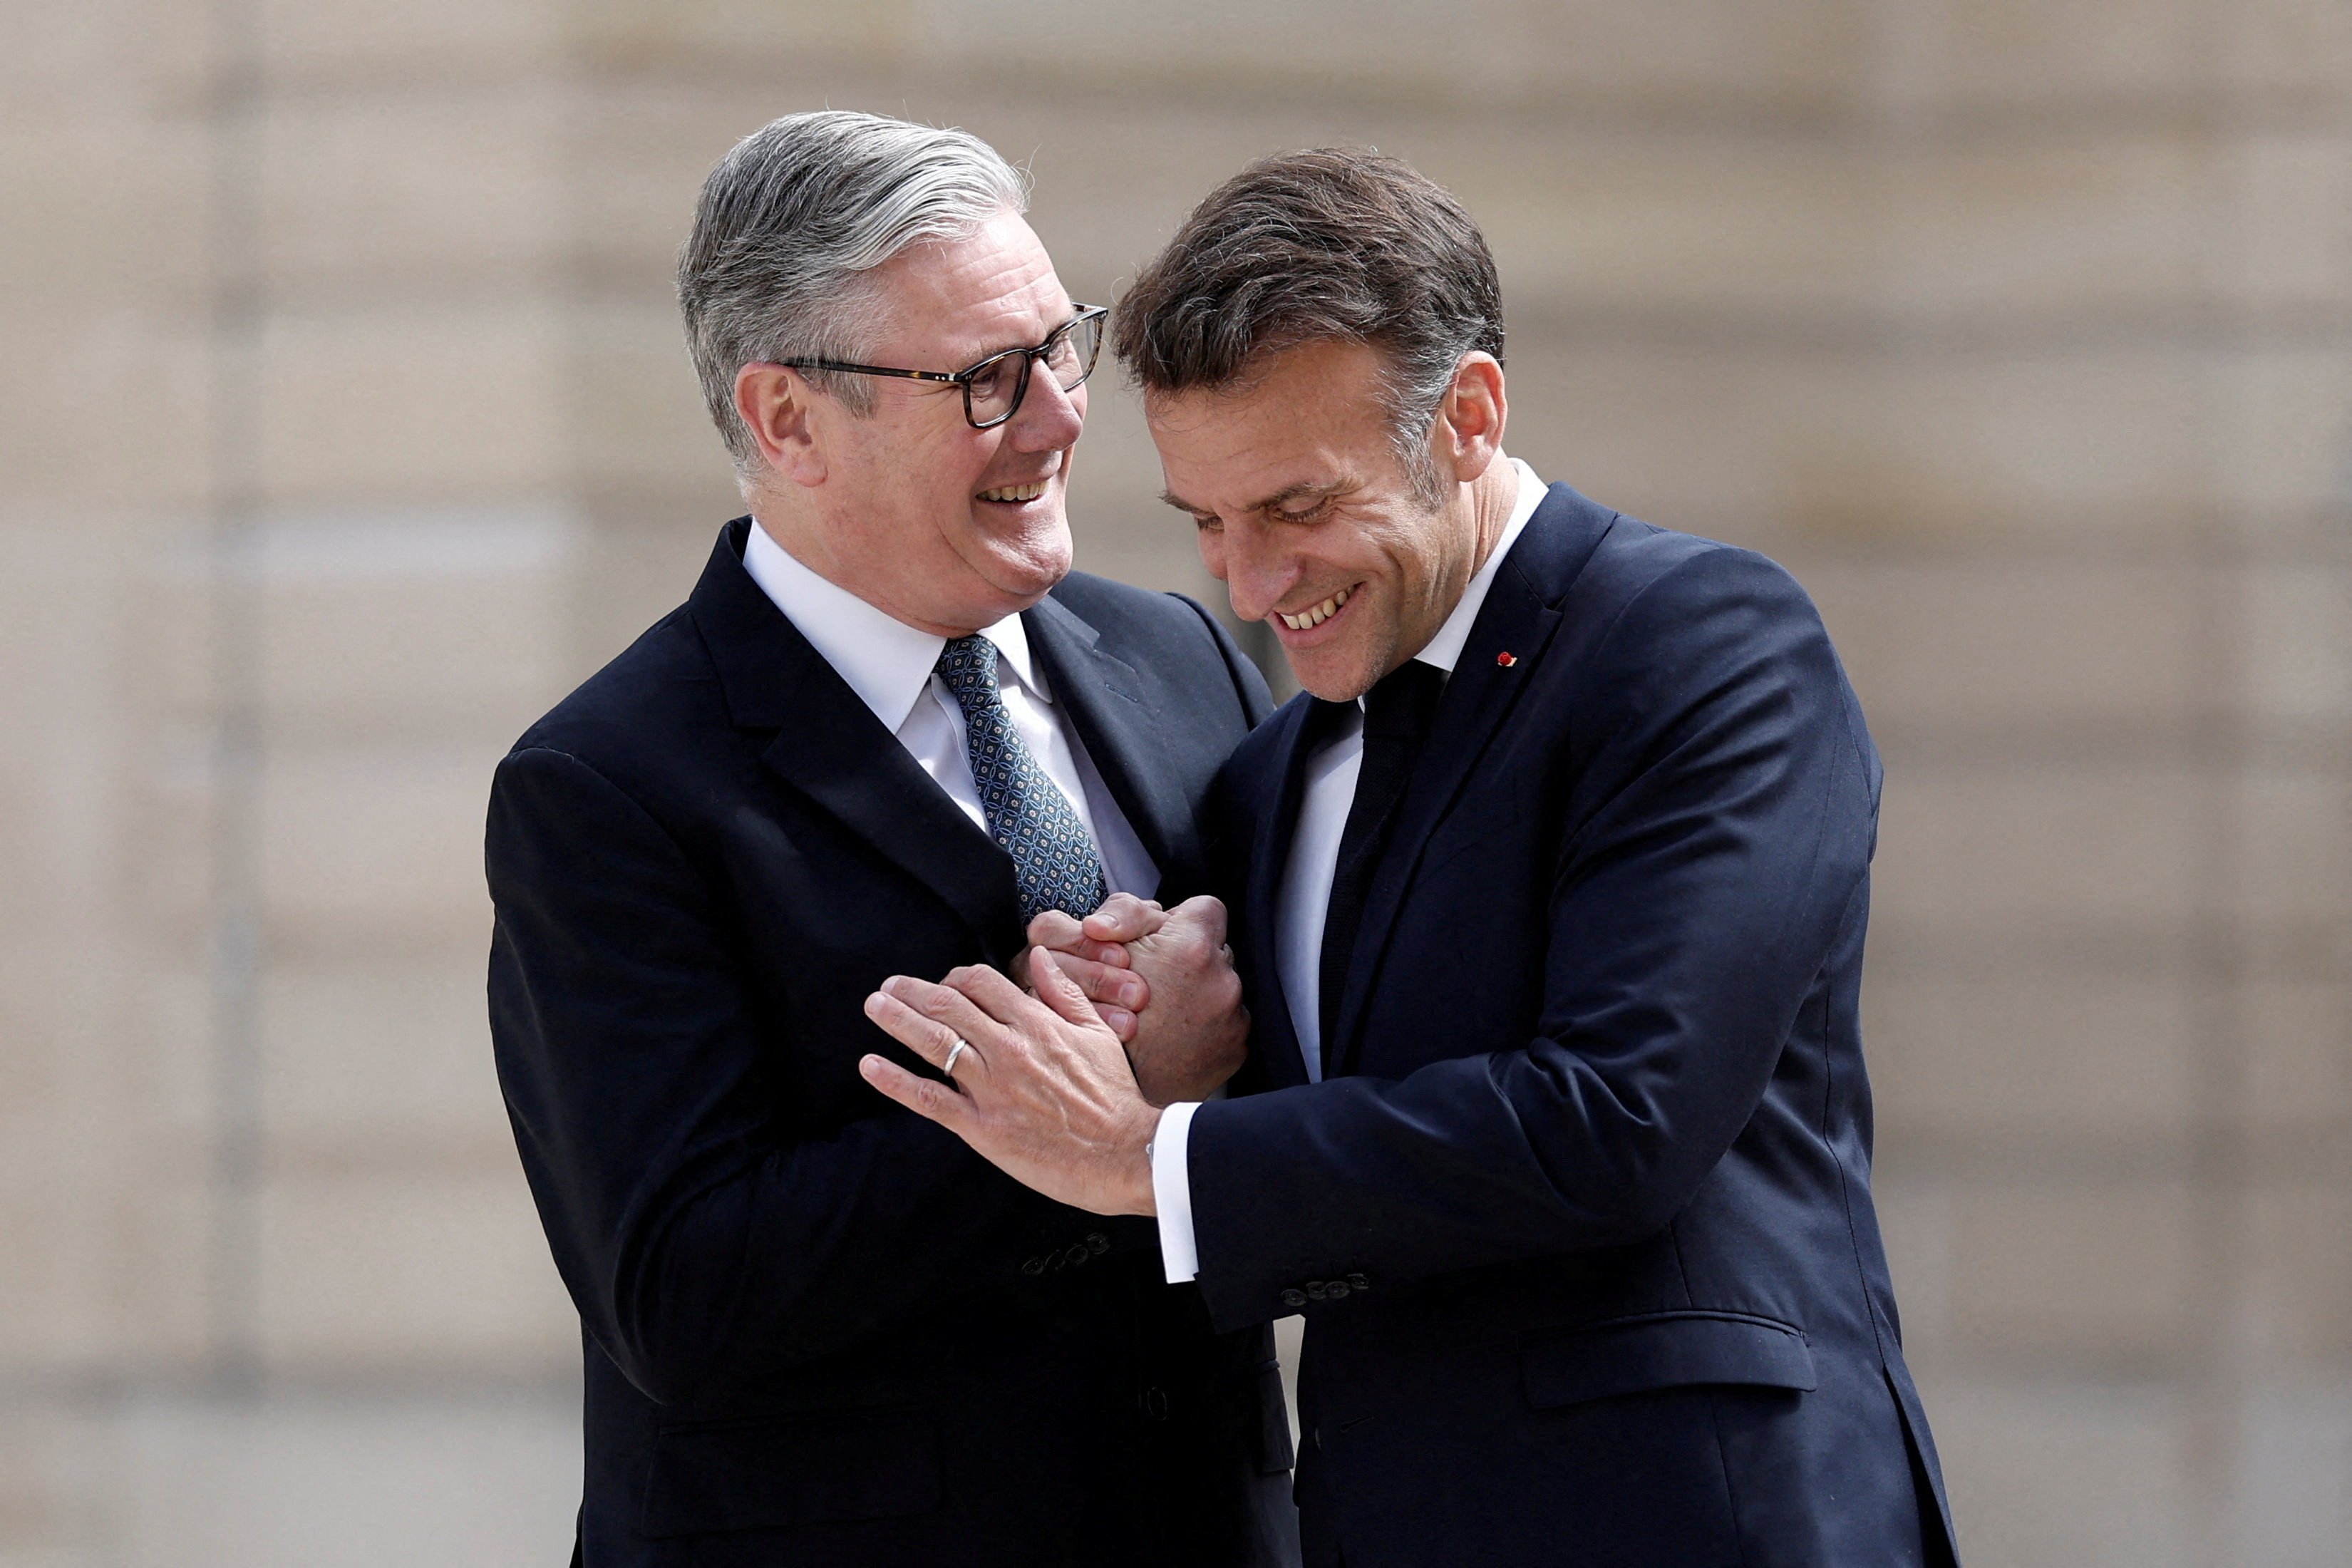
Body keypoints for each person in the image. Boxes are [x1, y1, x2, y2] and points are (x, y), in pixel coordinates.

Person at [860, 148, 1961, 1567]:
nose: (1250, 585)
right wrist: (1168, 1033)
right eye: (1207, 522)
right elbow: (1351, 1149)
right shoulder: (1270, 774)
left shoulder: (1704, 644)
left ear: (1470, 417)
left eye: (1297, 507)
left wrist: (1154, 1154)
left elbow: (1617, 1118)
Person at [485, 111, 1298, 1567]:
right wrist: (1107, 1092)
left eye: (1061, 346)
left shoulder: (1181, 658)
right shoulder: (609, 785)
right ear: (788, 419)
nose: (1056, 416)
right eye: (990, 377)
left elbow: (1307, 1079)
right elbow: (683, 1289)